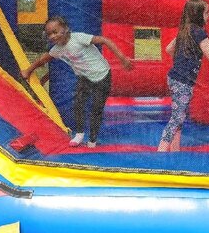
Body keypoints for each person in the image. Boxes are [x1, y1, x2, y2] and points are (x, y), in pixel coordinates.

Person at [22, 16, 133, 148]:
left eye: (55, 32)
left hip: (102, 75)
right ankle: (79, 134)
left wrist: (122, 58)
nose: (52, 36)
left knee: (96, 109)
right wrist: (28, 71)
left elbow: (104, 40)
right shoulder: (56, 50)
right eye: (49, 34)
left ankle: (92, 140)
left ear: (66, 29)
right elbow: (42, 60)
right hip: (84, 77)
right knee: (78, 105)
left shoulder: (78, 38)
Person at [158, 0, 209, 152]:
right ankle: (161, 152)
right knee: (176, 118)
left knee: (179, 116)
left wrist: (183, 60)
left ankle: (175, 150)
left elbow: (169, 49)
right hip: (183, 82)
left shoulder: (186, 30)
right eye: (206, 13)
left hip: (175, 78)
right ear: (198, 15)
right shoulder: (198, 32)